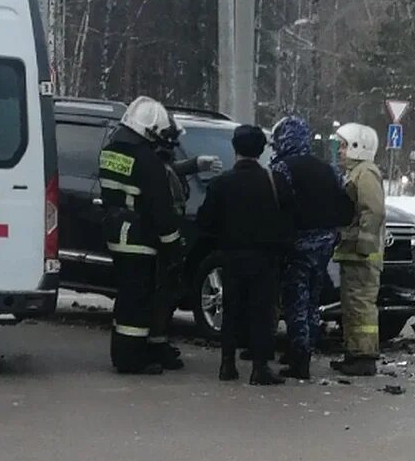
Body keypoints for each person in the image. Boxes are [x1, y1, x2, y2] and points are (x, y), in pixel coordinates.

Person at [197, 125, 294, 385]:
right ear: (262, 150)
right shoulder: (275, 181)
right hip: (266, 257)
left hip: (231, 255)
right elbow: (290, 217)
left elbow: (205, 221)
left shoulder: (221, 183)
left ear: (235, 148)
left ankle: (227, 364)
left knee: (231, 310)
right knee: (262, 311)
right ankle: (260, 368)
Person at [98, 96, 184, 375]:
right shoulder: (147, 161)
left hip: (115, 229)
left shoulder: (111, 150)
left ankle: (131, 351)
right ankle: (130, 359)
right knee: (137, 301)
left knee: (128, 295)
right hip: (139, 237)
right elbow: (161, 210)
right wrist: (174, 247)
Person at [270, 115, 352, 379]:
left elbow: (279, 205)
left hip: (297, 243)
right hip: (325, 241)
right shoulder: (329, 169)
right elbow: (344, 204)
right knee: (313, 299)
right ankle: (306, 347)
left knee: (295, 300)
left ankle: (299, 357)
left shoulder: (282, 168)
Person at [148, 124, 223, 371]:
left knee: (167, 292)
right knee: (161, 293)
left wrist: (195, 164)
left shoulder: (160, 162)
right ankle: (154, 345)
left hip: (169, 234)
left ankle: (158, 342)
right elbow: (164, 173)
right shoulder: (153, 163)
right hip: (162, 237)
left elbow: (170, 169)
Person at [331, 123, 385, 377]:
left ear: (358, 147)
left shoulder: (366, 173)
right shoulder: (357, 173)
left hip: (362, 255)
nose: (340, 151)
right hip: (353, 253)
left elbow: (373, 211)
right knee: (352, 305)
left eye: (343, 146)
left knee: (361, 305)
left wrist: (364, 245)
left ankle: (363, 357)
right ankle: (354, 353)